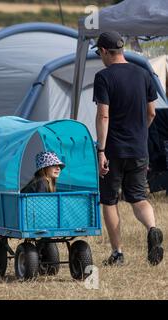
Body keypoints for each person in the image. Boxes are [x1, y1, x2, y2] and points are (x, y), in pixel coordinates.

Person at [93, 31, 164, 266]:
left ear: (104, 51)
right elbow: (151, 112)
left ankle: (118, 253)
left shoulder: (104, 77)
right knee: (138, 197)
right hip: (139, 149)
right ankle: (152, 228)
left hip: (114, 150)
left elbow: (104, 116)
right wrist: (140, 132)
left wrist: (101, 151)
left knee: (110, 200)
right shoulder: (144, 74)